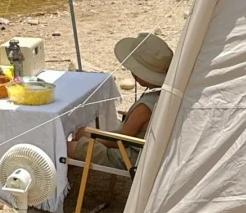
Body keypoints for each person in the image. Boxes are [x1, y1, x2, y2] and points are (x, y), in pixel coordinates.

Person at [67, 33, 173, 170]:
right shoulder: (163, 94)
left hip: (129, 157)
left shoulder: (144, 108)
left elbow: (121, 141)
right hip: (144, 151)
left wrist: (94, 140)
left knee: (67, 146)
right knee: (81, 132)